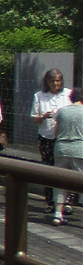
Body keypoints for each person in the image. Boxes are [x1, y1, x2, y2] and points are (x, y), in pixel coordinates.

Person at [31, 68, 71, 212]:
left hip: (64, 137)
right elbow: (34, 118)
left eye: (58, 81)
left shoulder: (68, 94)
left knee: (66, 168)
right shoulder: (39, 96)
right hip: (46, 136)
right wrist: (43, 116)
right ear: (47, 82)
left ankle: (66, 202)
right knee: (49, 168)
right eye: (52, 81)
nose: (55, 84)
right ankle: (51, 201)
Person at [50, 87, 83, 225]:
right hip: (80, 150)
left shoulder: (62, 111)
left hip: (61, 149)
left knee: (60, 181)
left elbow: (55, 132)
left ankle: (57, 214)